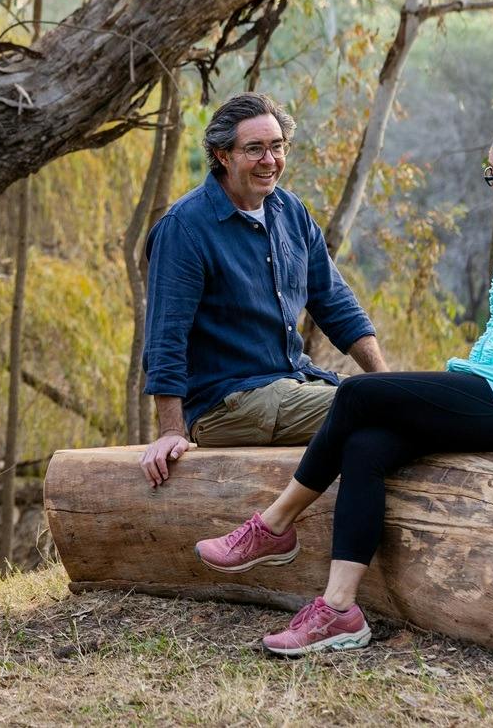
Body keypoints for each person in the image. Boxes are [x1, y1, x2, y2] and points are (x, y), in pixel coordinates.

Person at [192, 119, 493, 657]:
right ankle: (339, 611)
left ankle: (273, 524)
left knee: (357, 394)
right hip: (483, 385)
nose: (491, 183)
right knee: (365, 447)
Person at [139, 92, 389, 488]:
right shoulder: (185, 228)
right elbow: (166, 337)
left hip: (293, 385)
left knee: (389, 405)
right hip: (227, 404)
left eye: (277, 147)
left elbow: (334, 303)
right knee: (377, 411)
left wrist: (384, 380)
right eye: (254, 149)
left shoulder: (290, 211)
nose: (269, 160)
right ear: (223, 155)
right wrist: (171, 429)